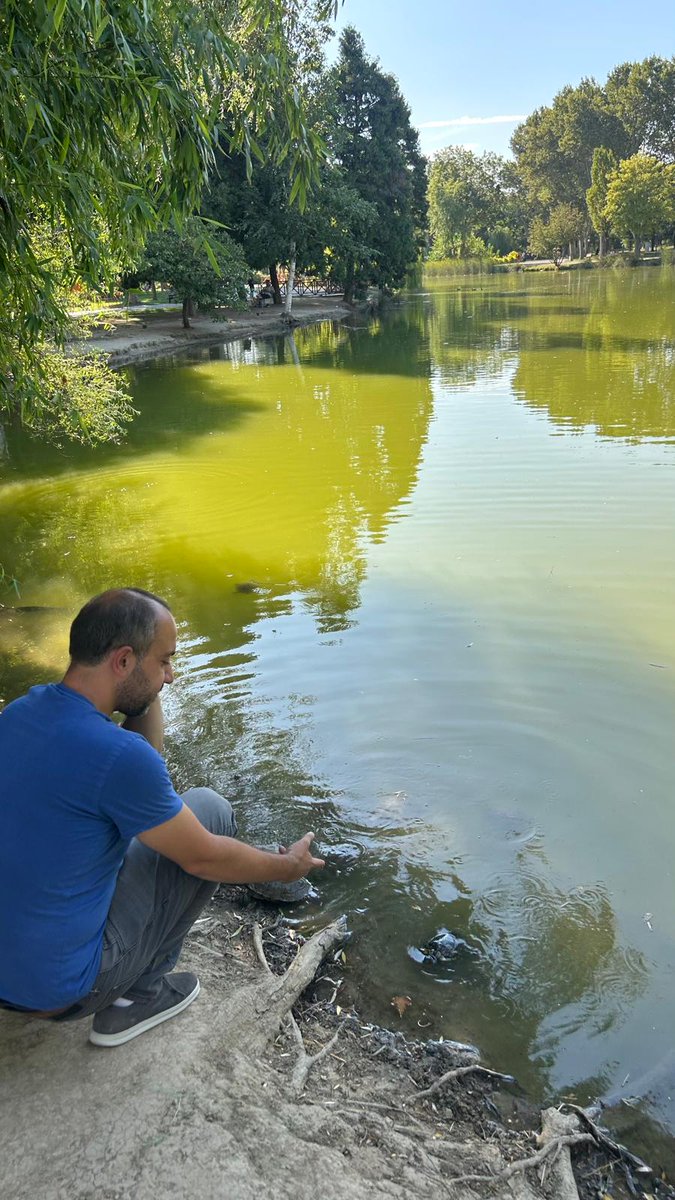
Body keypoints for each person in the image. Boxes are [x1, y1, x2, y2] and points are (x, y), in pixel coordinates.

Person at [0, 588, 323, 1047]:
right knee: (209, 811)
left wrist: (143, 688)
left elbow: (141, 766)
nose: (170, 678)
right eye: (165, 661)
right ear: (124, 661)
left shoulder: (18, 715)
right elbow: (204, 859)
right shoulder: (116, 757)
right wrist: (286, 867)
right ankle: (136, 999)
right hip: (55, 992)